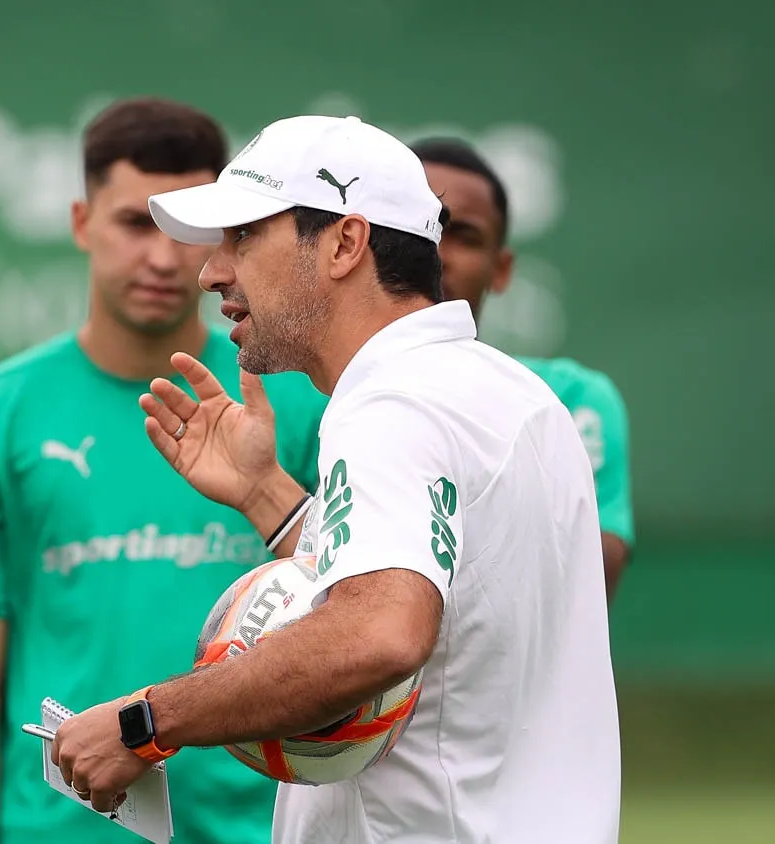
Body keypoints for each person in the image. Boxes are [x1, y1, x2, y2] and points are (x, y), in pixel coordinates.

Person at [51, 114, 620, 844]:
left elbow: (379, 633)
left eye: (245, 237)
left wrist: (143, 724)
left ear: (346, 244)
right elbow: (451, 603)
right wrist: (268, 498)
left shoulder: (392, 404)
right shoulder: (513, 396)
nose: (211, 271)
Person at [0, 97, 329, 844]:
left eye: (189, 230)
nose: (165, 258)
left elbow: (353, 613)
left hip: (263, 828)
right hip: (59, 830)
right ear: (80, 222)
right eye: (137, 223)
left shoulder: (294, 399)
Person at [410, 136, 635, 602]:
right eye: (419, 227)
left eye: (464, 235)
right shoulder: (301, 396)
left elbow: (574, 586)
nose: (436, 252)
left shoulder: (567, 400)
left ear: (502, 268)